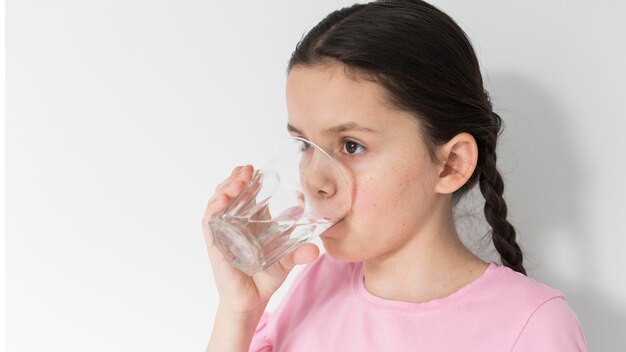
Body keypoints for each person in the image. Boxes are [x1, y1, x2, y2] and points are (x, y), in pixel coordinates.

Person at [201, 0, 587, 350]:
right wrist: (239, 312)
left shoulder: (531, 326)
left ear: (451, 164)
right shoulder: (313, 282)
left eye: (351, 145)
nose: (313, 180)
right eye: (303, 145)